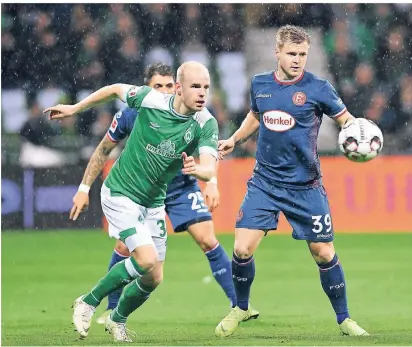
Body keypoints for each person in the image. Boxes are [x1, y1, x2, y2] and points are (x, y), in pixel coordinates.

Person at [71, 62, 259, 325]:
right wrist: (84, 187)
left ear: (176, 87)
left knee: (189, 251)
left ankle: (238, 305)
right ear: (148, 88)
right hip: (129, 191)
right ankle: (99, 304)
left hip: (177, 186)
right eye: (158, 86)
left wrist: (209, 179)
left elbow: (208, 161)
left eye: (168, 85)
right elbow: (104, 146)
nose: (164, 90)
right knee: (132, 251)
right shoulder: (137, 110)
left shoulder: (204, 120)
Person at [45, 61, 220, 342]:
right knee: (146, 258)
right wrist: (76, 108)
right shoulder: (151, 100)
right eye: (195, 87)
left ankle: (117, 319)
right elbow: (115, 89)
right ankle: (88, 301)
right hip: (121, 193)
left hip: (153, 202)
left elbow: (210, 167)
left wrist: (196, 169)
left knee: (154, 277)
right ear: (179, 88)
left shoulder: (205, 123)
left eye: (206, 88)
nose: (202, 93)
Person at [215, 25, 370, 337]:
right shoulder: (260, 84)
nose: (298, 59)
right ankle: (241, 307)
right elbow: (256, 116)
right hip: (265, 183)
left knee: (324, 253)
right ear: (277, 52)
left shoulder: (319, 88)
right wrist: (234, 138)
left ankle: (344, 319)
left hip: (306, 186)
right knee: (242, 249)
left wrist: (360, 139)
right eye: (292, 53)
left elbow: (346, 121)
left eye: (302, 54)